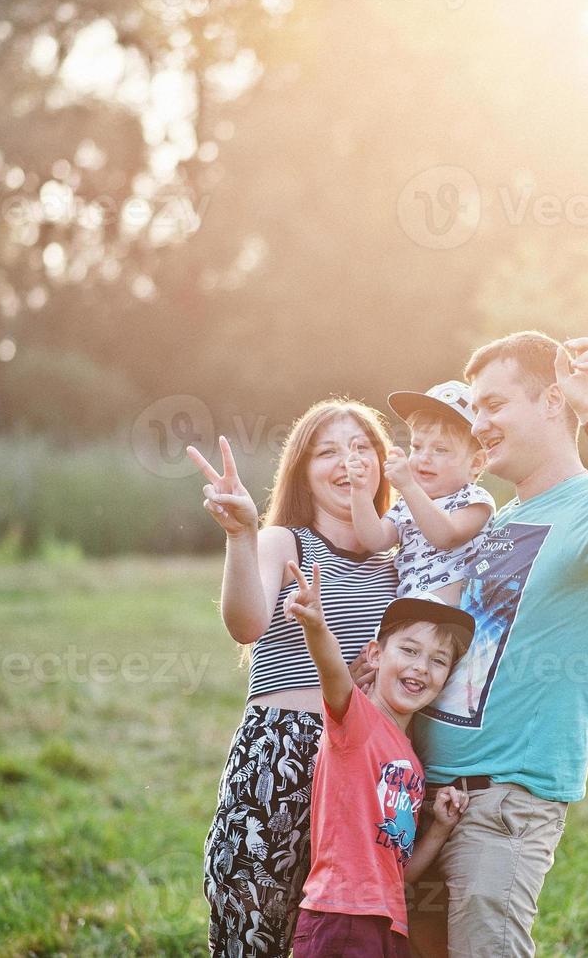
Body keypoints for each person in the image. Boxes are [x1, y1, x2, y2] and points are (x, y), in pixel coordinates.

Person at [407, 332, 588, 957]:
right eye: (475, 409)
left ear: (553, 401)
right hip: (427, 799)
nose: (478, 424)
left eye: (494, 405)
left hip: (501, 805)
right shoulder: (498, 520)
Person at [190, 399, 400, 958]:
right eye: (328, 451)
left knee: (348, 941)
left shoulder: (400, 560)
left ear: (382, 464)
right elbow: (246, 623)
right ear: (304, 471)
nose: (349, 462)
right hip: (281, 755)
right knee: (255, 928)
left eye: (362, 448)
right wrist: (241, 535)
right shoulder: (286, 542)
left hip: (366, 771)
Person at [283, 561, 475, 958]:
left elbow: (396, 873)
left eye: (439, 660)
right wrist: (316, 627)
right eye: (409, 650)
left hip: (389, 922)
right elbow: (332, 671)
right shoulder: (356, 720)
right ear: (374, 655)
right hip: (339, 916)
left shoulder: (412, 764)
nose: (421, 667)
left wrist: (439, 829)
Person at [346, 380, 494, 605]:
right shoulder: (405, 505)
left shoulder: (474, 500)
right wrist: (359, 491)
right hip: (410, 612)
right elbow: (374, 540)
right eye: (416, 446)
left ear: (476, 463)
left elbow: (446, 536)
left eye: (441, 449)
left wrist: (408, 486)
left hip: (455, 617)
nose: (424, 457)